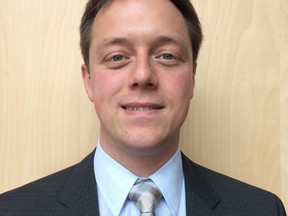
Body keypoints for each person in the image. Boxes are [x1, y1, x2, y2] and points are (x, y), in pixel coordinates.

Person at [0, 0, 286, 215]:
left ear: (192, 78)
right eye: (117, 57)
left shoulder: (262, 209)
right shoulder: (12, 210)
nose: (142, 76)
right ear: (88, 81)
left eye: (166, 55)